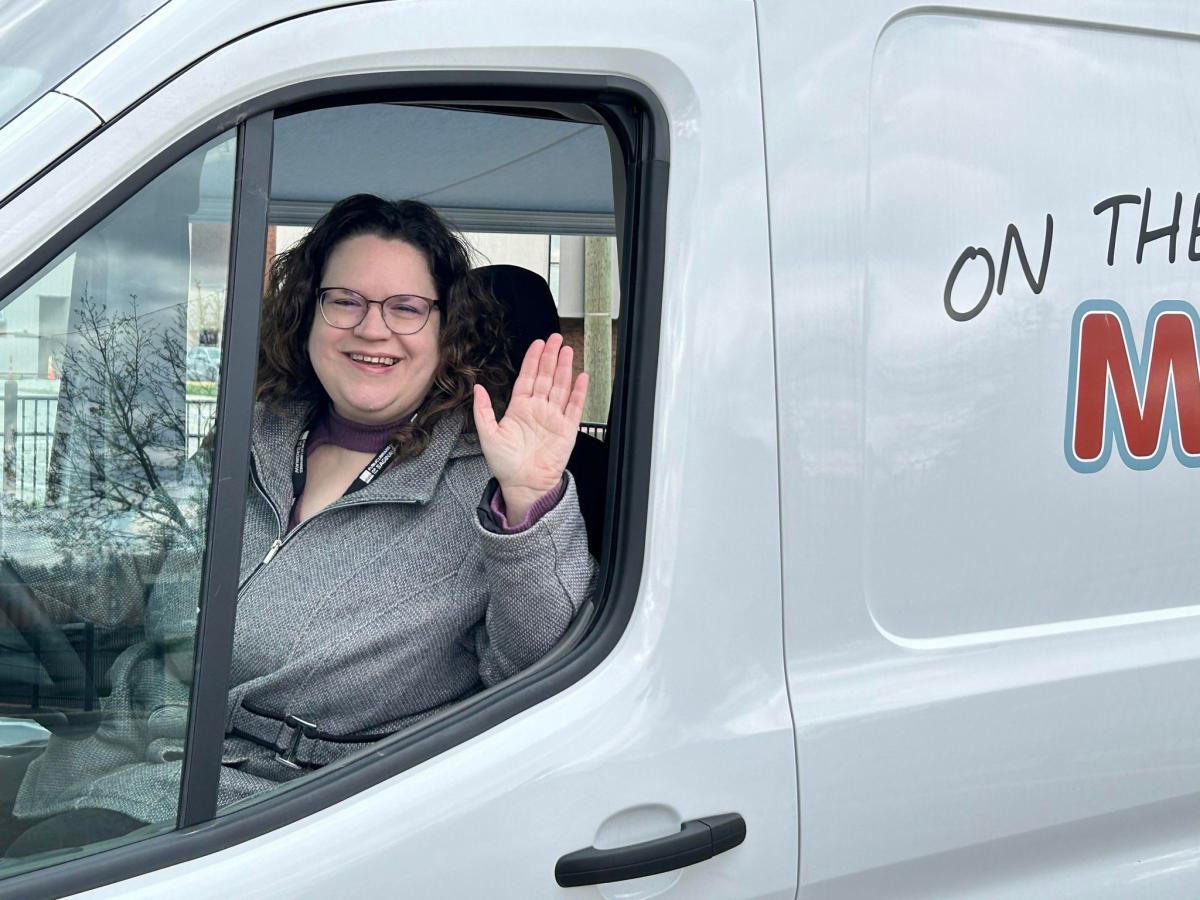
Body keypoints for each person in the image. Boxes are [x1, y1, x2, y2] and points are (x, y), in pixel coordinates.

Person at [3, 194, 596, 856]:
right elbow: (125, 578)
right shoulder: (251, 434)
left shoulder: (483, 484)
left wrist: (529, 500)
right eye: (345, 300)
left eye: (405, 308)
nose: (373, 329)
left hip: (270, 819)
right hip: (106, 762)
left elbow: (548, 679)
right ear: (309, 312)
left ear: (445, 328)